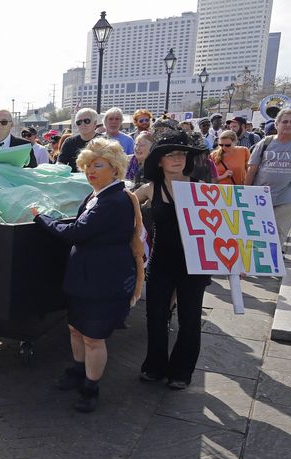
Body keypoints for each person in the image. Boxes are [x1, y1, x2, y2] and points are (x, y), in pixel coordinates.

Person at [30, 138, 142, 413]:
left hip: (103, 279)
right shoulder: (98, 194)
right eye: (87, 165)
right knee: (76, 328)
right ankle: (78, 372)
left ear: (114, 169)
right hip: (84, 275)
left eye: (98, 165)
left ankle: (91, 388)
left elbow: (76, 233)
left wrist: (41, 218)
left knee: (93, 336)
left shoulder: (113, 200)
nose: (90, 171)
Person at [134, 130, 211, 390]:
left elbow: (224, 229)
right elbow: (126, 204)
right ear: (159, 161)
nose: (177, 159)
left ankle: (181, 371)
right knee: (155, 315)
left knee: (190, 319)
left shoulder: (202, 189)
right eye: (170, 155)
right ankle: (154, 367)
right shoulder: (151, 188)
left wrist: (235, 262)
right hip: (161, 262)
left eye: (181, 154)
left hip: (195, 264)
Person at [246, 107, 291, 249]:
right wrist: (246, 193)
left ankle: (270, 267)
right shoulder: (265, 143)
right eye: (285, 121)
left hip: (286, 199)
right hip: (260, 197)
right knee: (256, 232)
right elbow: (252, 170)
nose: (288, 125)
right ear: (277, 124)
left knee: (278, 235)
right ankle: (254, 264)